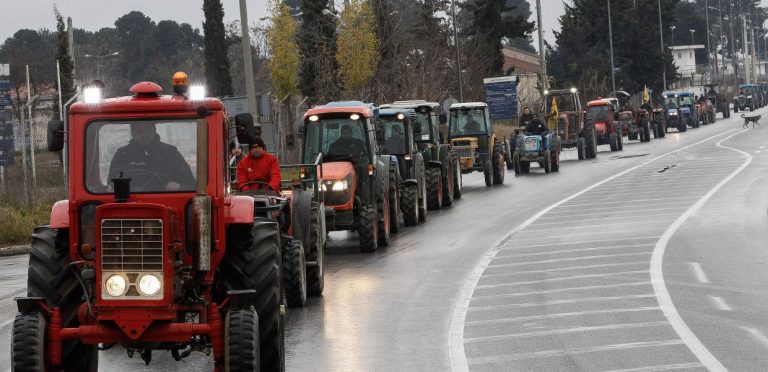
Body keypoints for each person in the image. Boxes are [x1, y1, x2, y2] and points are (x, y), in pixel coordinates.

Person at [108, 123, 195, 192]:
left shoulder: (171, 153)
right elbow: (110, 186)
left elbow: (192, 184)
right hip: (130, 203)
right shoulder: (122, 155)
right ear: (133, 133)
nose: (144, 134)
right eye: (140, 131)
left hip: (166, 201)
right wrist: (113, 189)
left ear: (154, 130)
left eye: (148, 130)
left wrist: (180, 187)